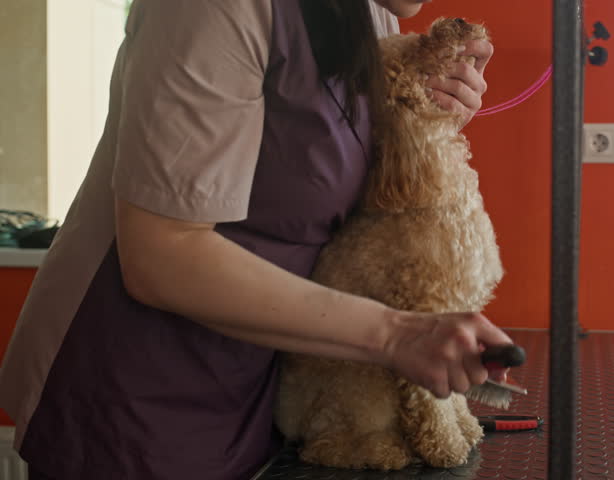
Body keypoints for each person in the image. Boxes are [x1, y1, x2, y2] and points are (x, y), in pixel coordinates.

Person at [0, 0, 509, 478]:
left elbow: (336, 188)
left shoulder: (371, 16)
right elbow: (162, 253)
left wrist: (423, 121)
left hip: (259, 384)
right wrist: (397, 335)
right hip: (133, 395)